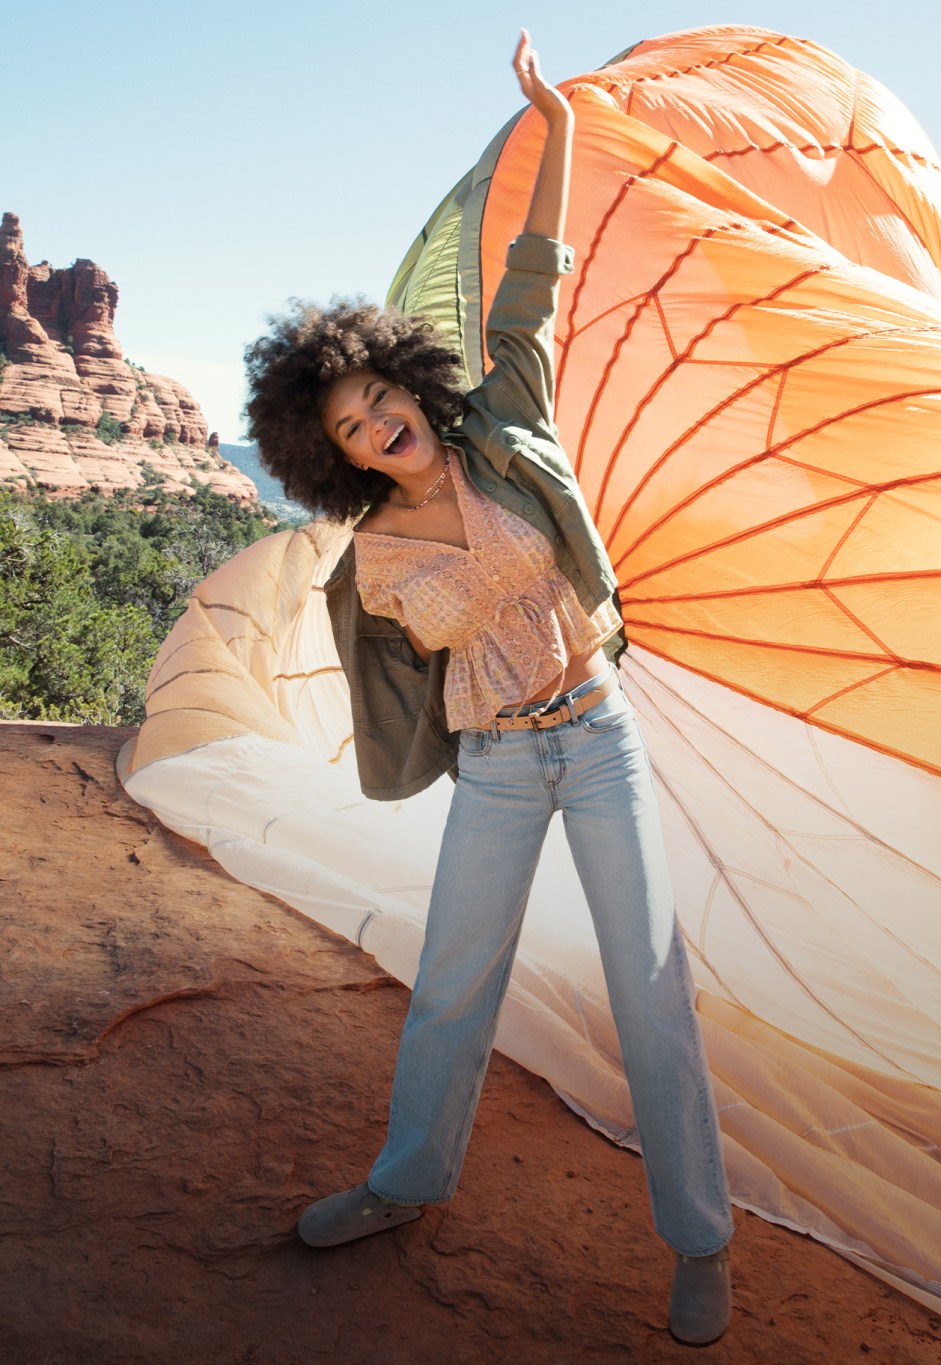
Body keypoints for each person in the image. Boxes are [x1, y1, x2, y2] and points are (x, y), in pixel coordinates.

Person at [244, 31, 733, 1348]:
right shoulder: (375, 559)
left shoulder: (509, 415)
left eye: (378, 396)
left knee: (649, 982)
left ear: (407, 377)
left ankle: (700, 1238)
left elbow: (537, 272)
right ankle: (407, 1181)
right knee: (455, 981)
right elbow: (403, 692)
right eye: (344, 425)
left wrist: (554, 121)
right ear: (324, 450)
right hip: (502, 765)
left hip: (598, 737)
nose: (373, 424)